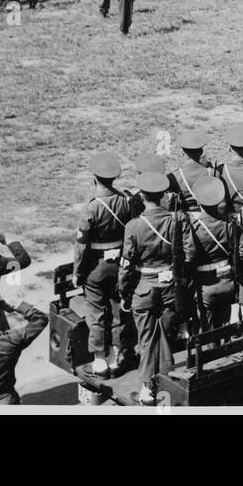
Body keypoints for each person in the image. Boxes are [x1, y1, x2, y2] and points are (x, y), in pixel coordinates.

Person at [74, 152, 142, 377]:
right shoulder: (125, 200)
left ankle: (100, 361)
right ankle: (114, 357)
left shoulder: (91, 208)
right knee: (116, 313)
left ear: (94, 179)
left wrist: (77, 272)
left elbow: (82, 246)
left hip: (96, 267)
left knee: (96, 314)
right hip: (119, 266)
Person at [120, 170, 184, 405]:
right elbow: (186, 253)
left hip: (144, 288)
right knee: (165, 336)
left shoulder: (134, 226)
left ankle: (148, 389)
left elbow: (126, 264)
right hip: (170, 287)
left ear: (143, 196)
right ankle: (166, 381)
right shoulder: (177, 220)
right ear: (162, 195)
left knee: (147, 339)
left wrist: (124, 291)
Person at [184, 177, 243, 330]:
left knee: (208, 332)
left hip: (205, 286)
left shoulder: (193, 228)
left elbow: (189, 258)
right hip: (228, 282)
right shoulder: (230, 224)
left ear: (199, 203)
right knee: (229, 327)